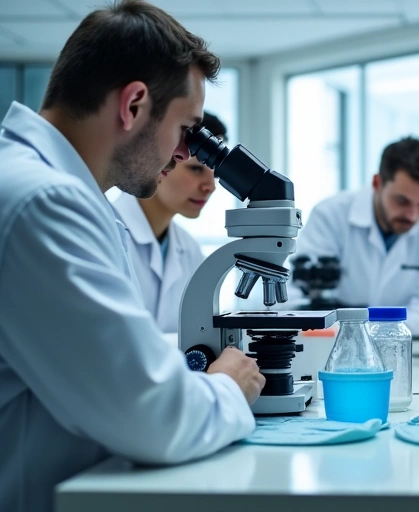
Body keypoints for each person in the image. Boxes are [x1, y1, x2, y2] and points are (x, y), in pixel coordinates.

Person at [0, 2, 265, 511]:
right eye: (186, 129)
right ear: (134, 104)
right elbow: (152, 419)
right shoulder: (43, 202)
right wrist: (226, 388)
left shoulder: (60, 194)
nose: (188, 153)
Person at [288, 136, 419, 337]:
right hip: (331, 347)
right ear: (377, 183)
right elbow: (296, 299)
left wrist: (357, 329)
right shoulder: (330, 215)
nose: (413, 215)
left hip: (403, 348)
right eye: (402, 201)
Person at [112, 111, 224, 334]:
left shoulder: (189, 250)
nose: (210, 186)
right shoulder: (108, 231)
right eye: (196, 169)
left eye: (216, 173)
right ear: (168, 160)